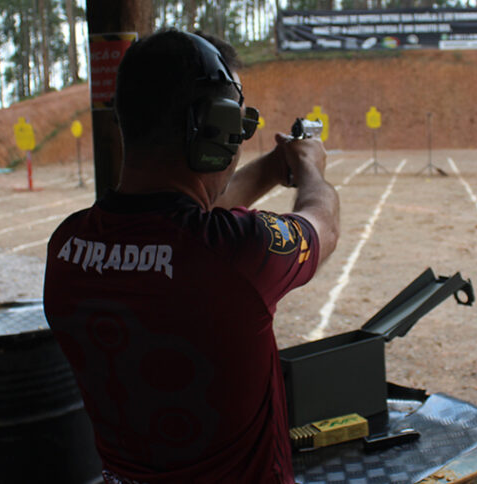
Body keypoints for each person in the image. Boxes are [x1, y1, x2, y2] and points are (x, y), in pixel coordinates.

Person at [43, 29, 339, 484]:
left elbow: (178, 221)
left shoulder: (66, 248)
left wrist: (276, 165)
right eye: (236, 128)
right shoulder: (234, 253)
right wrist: (311, 168)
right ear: (213, 131)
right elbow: (322, 224)